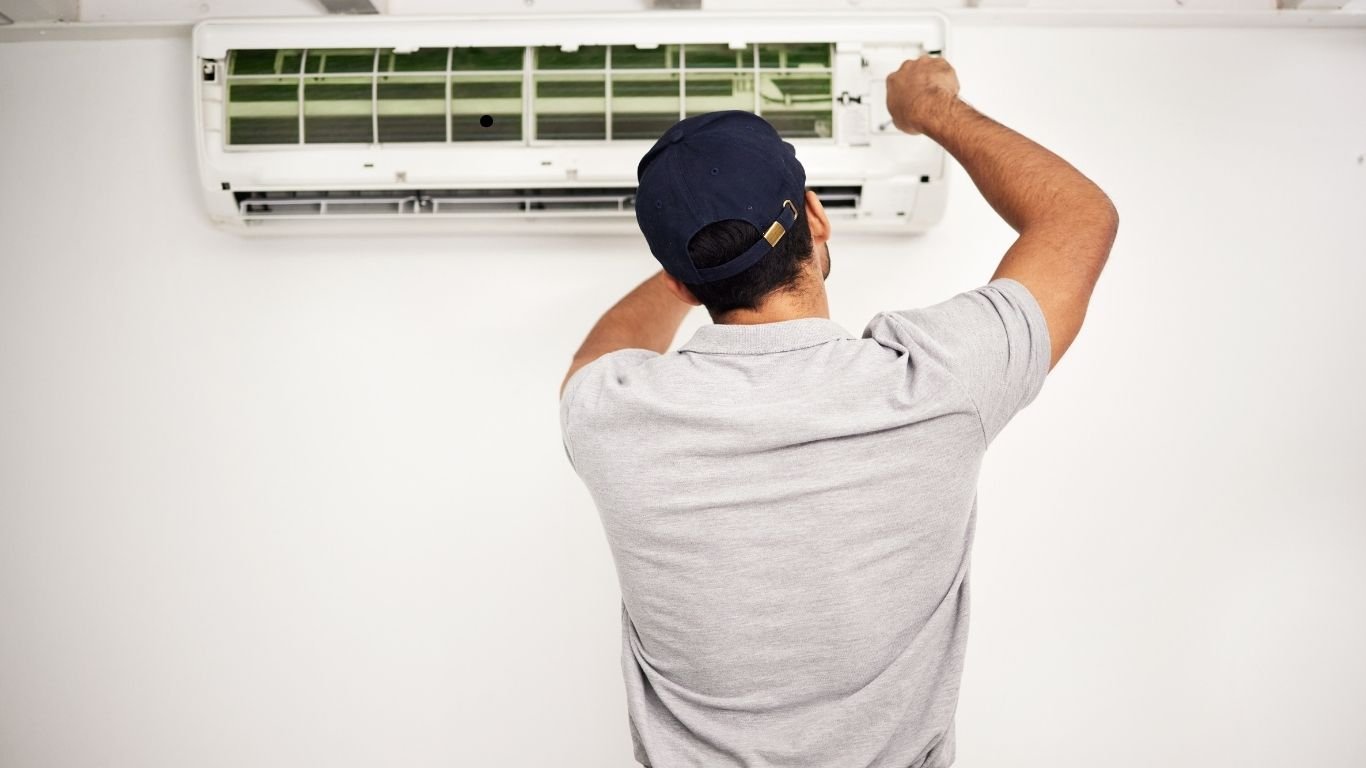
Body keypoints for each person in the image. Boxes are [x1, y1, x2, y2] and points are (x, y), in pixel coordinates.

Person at [557, 55, 1118, 768]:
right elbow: (1080, 217)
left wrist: (704, 259)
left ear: (678, 282)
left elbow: (599, 354)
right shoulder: (933, 381)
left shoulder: (611, 417)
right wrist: (933, 106)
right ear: (816, 218)